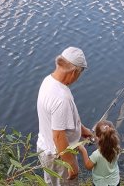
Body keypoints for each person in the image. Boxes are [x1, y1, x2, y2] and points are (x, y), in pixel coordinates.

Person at [37, 46, 92, 186]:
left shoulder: (48, 81)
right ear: (74, 72)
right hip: (58, 158)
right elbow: (58, 136)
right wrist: (71, 164)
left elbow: (57, 121)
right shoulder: (62, 98)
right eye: (81, 73)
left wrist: (81, 129)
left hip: (45, 148)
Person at [78, 120, 121, 186]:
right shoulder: (117, 149)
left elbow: (88, 166)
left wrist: (83, 150)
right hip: (115, 181)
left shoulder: (96, 155)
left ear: (97, 138)